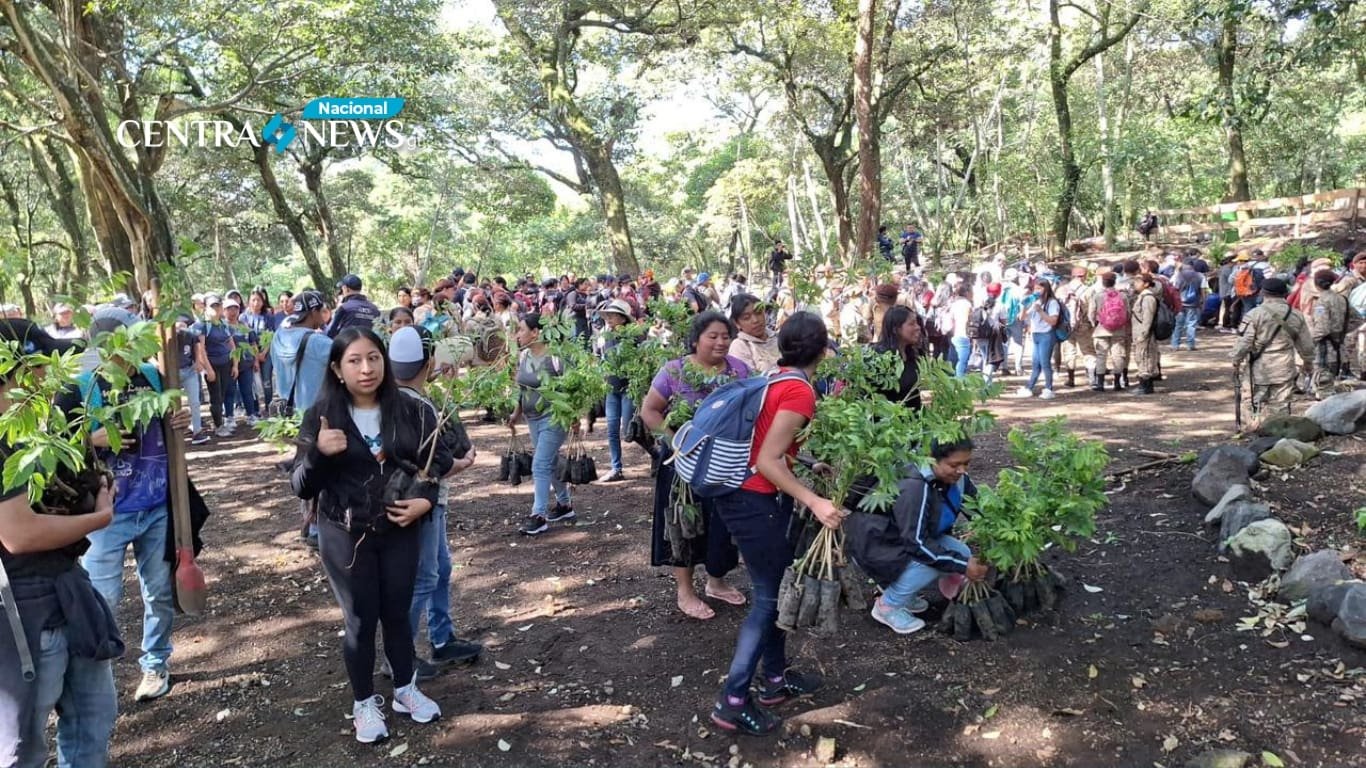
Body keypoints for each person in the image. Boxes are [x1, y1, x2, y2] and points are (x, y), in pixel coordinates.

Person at [290, 327, 452, 744]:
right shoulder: (323, 415)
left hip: (400, 528)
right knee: (360, 621)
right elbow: (301, 485)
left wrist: (426, 501)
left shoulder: (412, 409)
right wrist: (317, 453)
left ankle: (405, 689)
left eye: (374, 358)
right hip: (345, 532)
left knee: (397, 613)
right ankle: (363, 703)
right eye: (355, 360)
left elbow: (438, 461)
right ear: (337, 369)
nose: (367, 369)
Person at [708, 312, 838, 736]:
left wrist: (806, 461)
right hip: (752, 500)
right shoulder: (799, 393)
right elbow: (766, 459)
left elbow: (770, 442)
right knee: (767, 599)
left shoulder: (776, 379)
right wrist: (815, 501)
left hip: (746, 494)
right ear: (823, 350)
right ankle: (732, 701)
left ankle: (776, 681)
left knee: (777, 590)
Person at [0, 321, 121, 768]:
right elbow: (19, 533)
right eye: (40, 366)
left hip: (69, 590)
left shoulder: (38, 436)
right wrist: (100, 516)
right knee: (22, 745)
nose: (53, 378)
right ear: (13, 372)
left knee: (93, 717)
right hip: (20, 611)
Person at [57, 311, 192, 703]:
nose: (133, 351)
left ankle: (155, 663)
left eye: (137, 341)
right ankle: (96, 676)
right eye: (124, 343)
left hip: (156, 505)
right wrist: (90, 438)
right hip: (105, 515)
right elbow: (55, 448)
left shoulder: (154, 378)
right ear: (103, 346)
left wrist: (179, 419)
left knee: (159, 593)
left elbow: (173, 427)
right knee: (102, 599)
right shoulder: (81, 389)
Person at [386, 327, 482, 678]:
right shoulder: (422, 405)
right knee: (425, 575)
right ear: (428, 361)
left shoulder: (391, 400)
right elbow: (439, 466)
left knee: (440, 568)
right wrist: (465, 462)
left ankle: (442, 640)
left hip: (423, 502)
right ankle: (400, 655)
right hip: (423, 504)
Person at [640, 312, 749, 620]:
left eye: (725, 336)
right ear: (696, 339)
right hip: (682, 462)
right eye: (712, 336)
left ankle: (717, 581)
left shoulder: (740, 370)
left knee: (723, 522)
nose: (720, 341)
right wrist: (678, 442)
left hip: (725, 460)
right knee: (683, 524)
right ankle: (685, 592)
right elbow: (650, 411)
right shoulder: (674, 370)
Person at [846, 437, 987, 635]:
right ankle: (888, 606)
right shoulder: (915, 486)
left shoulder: (958, 479)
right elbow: (916, 545)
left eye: (966, 463)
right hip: (875, 546)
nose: (962, 470)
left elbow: (978, 509)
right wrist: (963, 566)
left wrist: (995, 531)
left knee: (961, 551)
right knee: (932, 563)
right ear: (932, 459)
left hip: (899, 539)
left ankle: (907, 591)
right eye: (954, 465)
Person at [270, 291, 334, 548]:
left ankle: (308, 522)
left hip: (290, 416)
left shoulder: (278, 336)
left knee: (304, 468)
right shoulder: (318, 343)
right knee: (322, 469)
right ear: (314, 312)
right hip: (317, 416)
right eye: (322, 310)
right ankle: (317, 528)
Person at [508, 313, 577, 536]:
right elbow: (522, 387)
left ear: (536, 332)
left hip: (554, 417)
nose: (517, 335)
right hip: (532, 418)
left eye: (521, 330)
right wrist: (516, 412)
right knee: (550, 460)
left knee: (540, 463)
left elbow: (573, 387)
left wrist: (575, 418)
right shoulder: (525, 356)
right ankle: (564, 505)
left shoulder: (556, 357)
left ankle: (538, 515)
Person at [1231, 278, 1314, 422]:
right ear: (1285, 293)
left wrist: (1236, 360)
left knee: (1253, 402)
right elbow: (1306, 344)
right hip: (1285, 365)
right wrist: (1308, 362)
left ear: (1263, 293)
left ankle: (1254, 430)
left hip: (1259, 366)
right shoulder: (1295, 314)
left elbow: (1245, 342)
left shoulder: (1255, 314)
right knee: (1281, 403)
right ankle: (1279, 433)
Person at [595, 300, 640, 482]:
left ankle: (655, 453)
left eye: (613, 315)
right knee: (612, 429)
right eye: (608, 316)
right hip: (611, 389)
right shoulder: (605, 336)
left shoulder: (633, 337)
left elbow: (641, 361)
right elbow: (601, 358)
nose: (609, 318)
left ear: (623, 319)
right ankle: (616, 468)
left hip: (628, 388)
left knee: (629, 430)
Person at [193, 294, 237, 438]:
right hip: (212, 365)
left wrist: (235, 365)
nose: (216, 309)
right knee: (216, 397)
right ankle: (218, 426)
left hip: (225, 363)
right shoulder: (202, 325)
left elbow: (232, 345)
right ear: (205, 307)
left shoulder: (223, 324)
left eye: (218, 306)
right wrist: (208, 369)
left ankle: (219, 422)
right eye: (212, 306)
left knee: (222, 394)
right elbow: (201, 349)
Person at [1016, 279, 1062, 400]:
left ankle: (1049, 388)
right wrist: (1024, 306)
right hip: (1035, 335)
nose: (1037, 291)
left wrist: (1040, 311)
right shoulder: (1035, 301)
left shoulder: (1052, 303)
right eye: (1035, 288)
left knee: (1045, 363)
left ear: (1046, 289)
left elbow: (1053, 321)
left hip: (1047, 335)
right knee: (1036, 364)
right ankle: (1029, 387)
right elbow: (1022, 317)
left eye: (1039, 288)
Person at [871, 305, 924, 410]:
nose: (918, 327)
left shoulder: (912, 355)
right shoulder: (878, 358)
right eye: (911, 324)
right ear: (896, 329)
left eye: (917, 323)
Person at [1304, 270, 1348, 390]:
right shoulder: (1342, 298)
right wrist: (1341, 331)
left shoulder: (1321, 302)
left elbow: (1322, 328)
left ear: (1316, 283)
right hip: (1339, 347)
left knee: (1323, 387)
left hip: (1325, 350)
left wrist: (1309, 342)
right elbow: (1356, 319)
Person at [1088, 271, 1130, 392]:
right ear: (1114, 281)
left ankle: (1100, 383)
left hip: (1101, 329)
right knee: (1118, 355)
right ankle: (1117, 382)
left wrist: (1094, 323)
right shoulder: (1122, 296)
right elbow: (1127, 313)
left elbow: (1091, 313)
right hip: (1119, 330)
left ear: (1103, 282)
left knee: (1101, 355)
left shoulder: (1097, 295)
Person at [222, 298, 260, 427]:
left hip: (246, 364)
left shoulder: (244, 326)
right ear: (224, 311)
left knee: (247, 390)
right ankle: (229, 417)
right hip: (229, 366)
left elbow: (253, 344)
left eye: (235, 308)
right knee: (230, 391)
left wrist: (256, 361)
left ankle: (251, 415)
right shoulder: (222, 327)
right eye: (229, 309)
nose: (233, 312)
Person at [174, 314, 211, 445]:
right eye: (178, 325)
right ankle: (173, 433)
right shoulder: (168, 338)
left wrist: (197, 362)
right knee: (172, 404)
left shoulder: (191, 335)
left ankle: (197, 431)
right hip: (172, 374)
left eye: (184, 325)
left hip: (189, 371)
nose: (181, 328)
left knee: (195, 402)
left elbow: (197, 346)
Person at [1057, 268, 1094, 389]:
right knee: (1088, 351)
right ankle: (1092, 378)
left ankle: (1071, 379)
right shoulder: (1089, 290)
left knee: (1069, 352)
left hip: (1066, 326)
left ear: (1072, 276)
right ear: (1084, 276)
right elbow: (1092, 310)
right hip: (1083, 325)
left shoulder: (1062, 290)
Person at [1129, 273, 1163, 395]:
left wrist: (1143, 334)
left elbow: (1147, 318)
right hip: (1139, 332)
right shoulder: (1141, 296)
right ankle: (1144, 384)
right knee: (1140, 357)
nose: (1135, 284)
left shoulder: (1148, 298)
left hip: (1144, 334)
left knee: (1145, 357)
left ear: (1146, 284)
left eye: (1138, 282)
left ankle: (1146, 385)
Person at [241, 289, 276, 407]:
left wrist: (264, 353)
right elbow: (246, 338)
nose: (256, 303)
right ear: (249, 301)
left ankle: (269, 405)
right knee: (253, 382)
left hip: (266, 352)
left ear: (263, 301)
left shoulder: (268, 316)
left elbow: (271, 335)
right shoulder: (243, 317)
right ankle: (254, 408)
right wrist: (255, 355)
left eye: (258, 300)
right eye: (253, 300)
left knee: (267, 379)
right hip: (250, 353)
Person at [728, 294, 780, 374]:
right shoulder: (739, 346)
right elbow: (750, 380)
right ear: (737, 323)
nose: (755, 320)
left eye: (758, 313)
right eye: (747, 318)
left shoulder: (778, 337)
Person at [970, 284, 1006, 384]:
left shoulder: (980, 303)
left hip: (979, 334)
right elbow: (1003, 322)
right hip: (993, 335)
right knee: (991, 360)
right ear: (999, 293)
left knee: (984, 356)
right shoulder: (1000, 305)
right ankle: (986, 383)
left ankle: (987, 382)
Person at [1172, 258, 1205, 352]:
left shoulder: (1179, 275)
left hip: (1180, 303)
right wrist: (1203, 302)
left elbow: (1175, 289)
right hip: (1193, 303)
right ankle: (1190, 345)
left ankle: (1175, 345)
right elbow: (1203, 290)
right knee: (1191, 324)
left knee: (1178, 324)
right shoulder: (1200, 275)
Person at [946, 281, 973, 378]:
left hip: (955, 335)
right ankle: (959, 385)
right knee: (962, 363)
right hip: (964, 336)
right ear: (967, 292)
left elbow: (951, 320)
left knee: (953, 362)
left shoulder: (954, 304)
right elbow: (967, 320)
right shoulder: (967, 304)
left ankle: (951, 385)